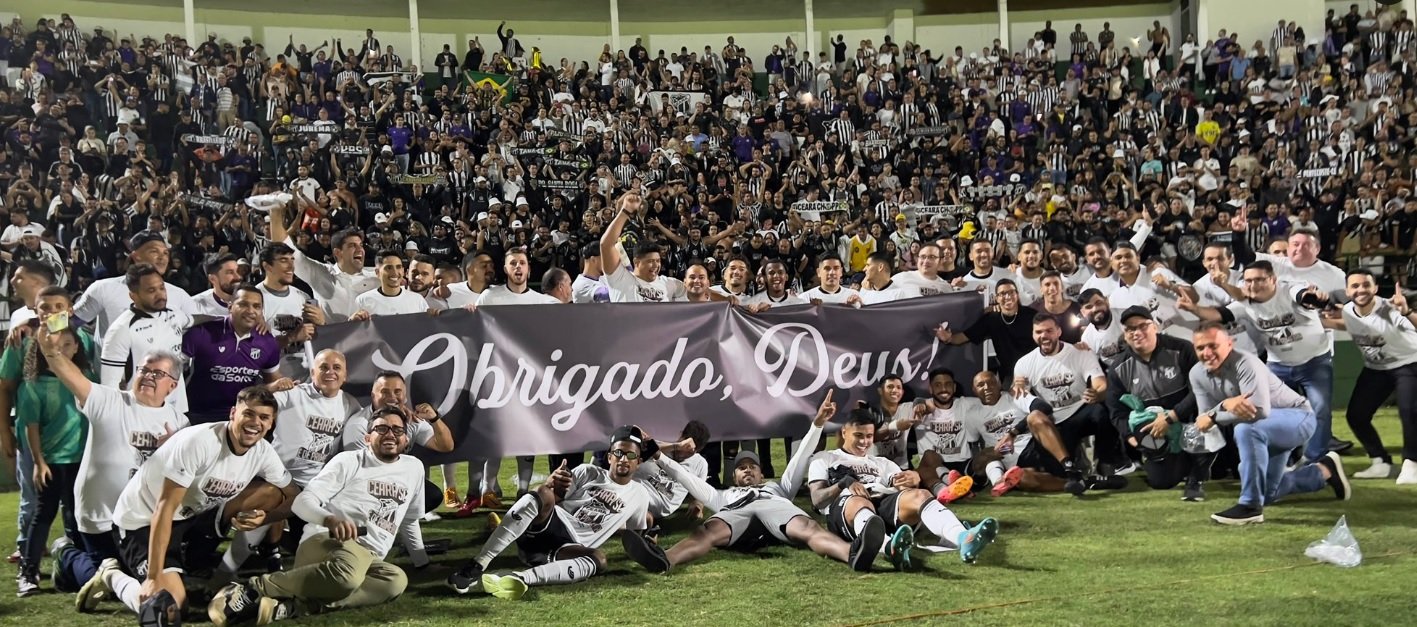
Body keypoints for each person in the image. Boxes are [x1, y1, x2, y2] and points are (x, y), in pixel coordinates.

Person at [74, 385, 298, 620]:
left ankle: (220, 578)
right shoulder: (199, 442)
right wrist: (152, 578)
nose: (255, 422)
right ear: (233, 413)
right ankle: (112, 576)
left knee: (272, 494)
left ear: (271, 423)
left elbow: (293, 495)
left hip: (194, 514)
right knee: (170, 611)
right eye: (248, 414)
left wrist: (267, 518)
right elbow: (164, 508)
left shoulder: (263, 451)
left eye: (263, 417)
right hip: (145, 520)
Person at [628, 393, 908, 573]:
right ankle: (664, 558)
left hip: (775, 507)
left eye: (752, 467)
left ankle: (853, 554)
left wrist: (818, 424)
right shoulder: (723, 495)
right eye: (741, 468)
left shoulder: (778, 487)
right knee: (706, 533)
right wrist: (659, 457)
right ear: (734, 476)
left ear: (763, 473)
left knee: (808, 527)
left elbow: (800, 457)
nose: (747, 470)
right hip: (737, 510)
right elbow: (685, 477)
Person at [207, 406, 426, 625]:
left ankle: (291, 608)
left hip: (370, 557)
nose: (390, 434)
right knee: (348, 576)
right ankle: (252, 589)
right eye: (382, 429)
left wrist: (421, 560)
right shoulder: (349, 460)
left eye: (397, 430)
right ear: (368, 438)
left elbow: (408, 519)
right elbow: (303, 501)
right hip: (329, 542)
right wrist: (329, 519)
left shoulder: (414, 468)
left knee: (395, 581)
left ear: (406, 439)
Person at [445, 426, 654, 599]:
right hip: (549, 526)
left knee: (599, 559)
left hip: (569, 548)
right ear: (609, 457)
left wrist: (649, 543)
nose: (623, 459)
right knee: (542, 492)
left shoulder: (639, 495)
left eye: (630, 455)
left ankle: (519, 578)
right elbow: (553, 498)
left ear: (638, 461)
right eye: (618, 453)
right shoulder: (586, 471)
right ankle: (477, 566)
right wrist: (550, 482)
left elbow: (636, 538)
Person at [1188, 323, 1350, 525]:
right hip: (1266, 430)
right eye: (1200, 348)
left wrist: (1217, 411)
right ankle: (1324, 471)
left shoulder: (1246, 362)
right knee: (1267, 492)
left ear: (1230, 343)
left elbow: (1258, 411)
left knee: (1246, 428)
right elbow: (1206, 417)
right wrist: (1220, 409)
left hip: (1298, 417)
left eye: (1213, 345)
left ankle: (1250, 506)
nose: (1207, 353)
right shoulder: (1196, 373)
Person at [1178, 260, 1337, 464]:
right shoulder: (1245, 305)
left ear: (1273, 279)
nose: (1253, 285)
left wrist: (1316, 298)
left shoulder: (1289, 289)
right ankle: (1281, 459)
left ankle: (1315, 459)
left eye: (1260, 279)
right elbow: (1218, 315)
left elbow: (1305, 296)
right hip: (1278, 364)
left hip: (1314, 361)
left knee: (1320, 408)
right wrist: (1193, 308)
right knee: (1267, 414)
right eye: (1249, 281)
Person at [806, 408, 1000, 564]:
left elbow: (900, 482)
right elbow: (817, 499)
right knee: (858, 501)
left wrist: (911, 479)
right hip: (847, 511)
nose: (865, 442)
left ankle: (964, 538)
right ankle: (889, 548)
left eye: (869, 436)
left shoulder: (882, 462)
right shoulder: (825, 458)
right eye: (858, 435)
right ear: (844, 432)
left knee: (921, 494)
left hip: (881, 503)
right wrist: (843, 483)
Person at [14, 323, 93, 596]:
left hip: (82, 461)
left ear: (77, 347)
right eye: (54, 345)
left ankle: (78, 570)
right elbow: (31, 426)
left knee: (77, 516)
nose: (61, 350)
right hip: (54, 462)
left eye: (67, 344)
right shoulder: (34, 386)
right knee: (44, 514)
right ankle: (28, 572)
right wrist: (39, 462)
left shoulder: (86, 378)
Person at [1104, 306, 1213, 501]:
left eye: (1143, 326)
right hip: (1154, 431)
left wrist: (1171, 418)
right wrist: (1133, 438)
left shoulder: (1182, 349)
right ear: (1125, 334)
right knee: (1161, 482)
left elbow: (1200, 391)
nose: (1137, 333)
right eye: (1130, 329)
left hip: (1189, 417)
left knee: (1211, 413)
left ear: (1154, 326)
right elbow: (1116, 412)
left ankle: (1197, 475)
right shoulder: (1118, 368)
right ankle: (1180, 460)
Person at [1013, 313, 1132, 491]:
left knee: (1102, 410)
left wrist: (1097, 393)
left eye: (1049, 330)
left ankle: (1107, 465)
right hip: (1054, 424)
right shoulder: (1024, 364)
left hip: (1080, 413)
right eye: (1039, 332)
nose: (1044, 336)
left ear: (1059, 331)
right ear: (1033, 335)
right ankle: (1074, 474)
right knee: (1034, 419)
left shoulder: (1080, 352)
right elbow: (1019, 395)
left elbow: (1100, 383)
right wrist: (1019, 388)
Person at [1328, 272, 1417, 483]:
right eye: (1355, 286)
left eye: (1366, 285)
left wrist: (1407, 311)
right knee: (1356, 415)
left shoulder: (1391, 308)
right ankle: (1380, 461)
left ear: (1375, 288)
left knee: (1410, 412)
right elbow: (1351, 325)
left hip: (1409, 362)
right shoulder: (1349, 310)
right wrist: (1325, 322)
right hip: (1376, 367)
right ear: (1347, 291)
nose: (1360, 290)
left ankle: (1412, 463)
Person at [100, 263, 196, 415]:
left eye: (162, 288)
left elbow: (194, 320)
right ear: (133, 295)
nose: (160, 295)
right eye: (151, 290)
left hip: (178, 410)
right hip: (142, 412)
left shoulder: (175, 314)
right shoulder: (121, 330)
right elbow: (109, 386)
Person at [182, 284, 282, 424]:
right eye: (243, 304)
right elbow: (173, 371)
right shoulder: (202, 333)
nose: (251, 311)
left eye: (256, 306)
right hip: (198, 415)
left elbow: (273, 380)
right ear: (230, 307)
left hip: (241, 417)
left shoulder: (268, 342)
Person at [72, 231, 196, 339]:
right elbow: (70, 321)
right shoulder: (103, 289)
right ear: (136, 256)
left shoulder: (180, 295)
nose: (162, 257)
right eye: (154, 251)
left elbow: (197, 330)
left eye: (165, 253)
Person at [270, 201, 378, 321]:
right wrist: (275, 211)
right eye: (353, 246)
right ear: (338, 253)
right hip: (331, 338)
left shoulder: (377, 276)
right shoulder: (320, 273)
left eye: (361, 245)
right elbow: (284, 249)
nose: (360, 250)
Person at [934, 280, 1037, 381]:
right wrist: (948, 338)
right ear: (997, 298)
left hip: (1035, 370)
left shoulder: (1032, 316)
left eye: (1011, 292)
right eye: (1002, 293)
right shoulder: (991, 319)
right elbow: (963, 337)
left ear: (1017, 295)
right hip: (1010, 374)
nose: (1007, 296)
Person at [600, 194, 688, 303]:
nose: (656, 265)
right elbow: (606, 245)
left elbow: (695, 291)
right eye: (651, 261)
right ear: (636, 262)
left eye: (658, 261)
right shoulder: (620, 279)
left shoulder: (667, 284)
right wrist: (625, 211)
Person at [632, 420, 710, 521]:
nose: (685, 451)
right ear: (681, 435)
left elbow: (699, 493)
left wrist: (698, 506)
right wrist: (676, 446)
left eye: (691, 450)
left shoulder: (700, 463)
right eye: (686, 445)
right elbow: (636, 446)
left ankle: (642, 519)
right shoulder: (660, 447)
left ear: (699, 449)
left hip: (659, 505)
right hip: (635, 493)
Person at [351, 250, 432, 318]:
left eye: (398, 267)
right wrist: (353, 322)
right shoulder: (363, 300)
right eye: (389, 268)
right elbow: (355, 333)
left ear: (403, 271)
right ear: (377, 272)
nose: (395, 273)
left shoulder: (418, 300)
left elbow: (427, 329)